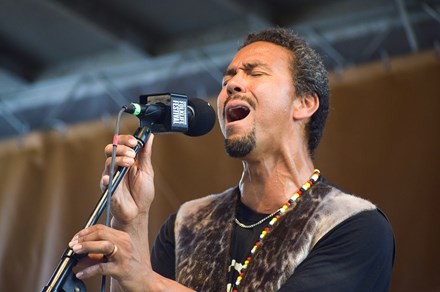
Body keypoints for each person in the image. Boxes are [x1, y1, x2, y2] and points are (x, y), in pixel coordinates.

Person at [68, 27, 395, 291]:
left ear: (304, 103)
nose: (232, 84)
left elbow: (146, 282)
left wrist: (146, 279)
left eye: (255, 73)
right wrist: (132, 220)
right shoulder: (187, 224)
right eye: (227, 79)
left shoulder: (352, 225)